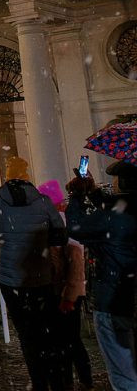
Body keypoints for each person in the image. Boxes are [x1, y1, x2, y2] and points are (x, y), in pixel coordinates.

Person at [0, 156, 67, 391]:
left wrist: (3, 237)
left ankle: (39, 382)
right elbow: (60, 233)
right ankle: (56, 381)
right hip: (41, 275)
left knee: (27, 334)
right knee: (48, 330)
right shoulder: (43, 201)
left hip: (12, 278)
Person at [66, 161, 137, 391]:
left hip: (113, 301)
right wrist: (95, 193)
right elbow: (119, 209)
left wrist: (77, 196)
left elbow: (76, 228)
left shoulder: (108, 218)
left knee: (124, 376)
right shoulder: (119, 212)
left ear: (120, 184)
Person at [36, 179, 92, 391]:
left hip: (66, 291)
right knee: (68, 340)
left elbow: (74, 262)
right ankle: (76, 378)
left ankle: (76, 379)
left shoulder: (60, 222)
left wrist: (68, 296)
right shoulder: (62, 220)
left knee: (68, 339)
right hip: (65, 290)